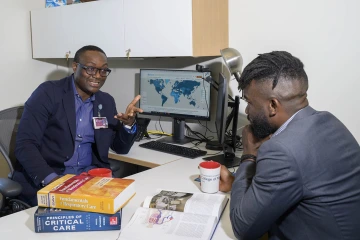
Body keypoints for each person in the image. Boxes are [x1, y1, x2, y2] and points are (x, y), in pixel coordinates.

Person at [219, 51, 360, 240]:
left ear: (273, 106)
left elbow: (242, 228)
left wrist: (248, 156)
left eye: (250, 102)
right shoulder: (329, 121)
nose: (247, 110)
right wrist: (237, 182)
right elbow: (297, 181)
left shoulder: (282, 150)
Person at [13, 45, 143, 206]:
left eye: (103, 70)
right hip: (52, 176)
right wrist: (53, 181)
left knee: (131, 205)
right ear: (75, 67)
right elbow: (25, 145)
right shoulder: (48, 93)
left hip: (90, 179)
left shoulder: (106, 101)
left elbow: (120, 148)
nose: (97, 76)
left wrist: (129, 125)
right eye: (90, 69)